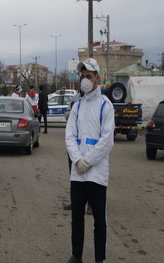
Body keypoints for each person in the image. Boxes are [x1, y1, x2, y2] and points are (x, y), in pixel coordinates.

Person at [65, 58, 115, 263]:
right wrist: (78, 161)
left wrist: (88, 161)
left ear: (97, 78)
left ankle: (99, 259)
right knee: (76, 219)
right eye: (82, 76)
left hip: (97, 174)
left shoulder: (106, 106)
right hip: (78, 174)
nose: (85, 79)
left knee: (99, 222)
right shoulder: (77, 106)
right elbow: (69, 136)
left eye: (89, 76)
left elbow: (107, 141)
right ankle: (76, 256)